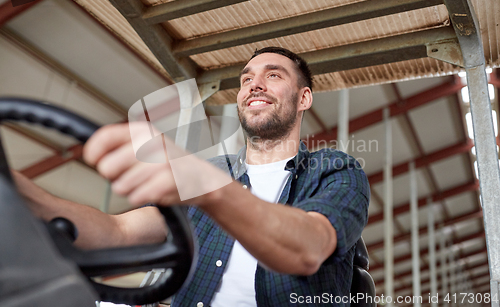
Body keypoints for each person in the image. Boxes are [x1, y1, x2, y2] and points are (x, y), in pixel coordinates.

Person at [13, 47, 370, 306]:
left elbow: (308, 249)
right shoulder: (212, 171)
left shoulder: (337, 170)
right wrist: (16, 189)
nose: (254, 85)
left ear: (304, 97)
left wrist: (210, 189)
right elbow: (116, 231)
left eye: (273, 75)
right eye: (246, 79)